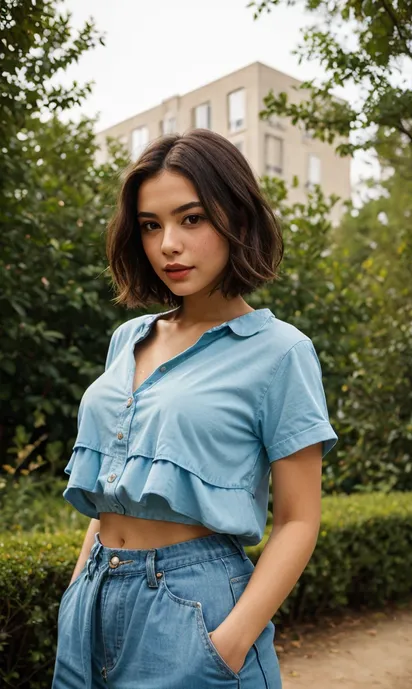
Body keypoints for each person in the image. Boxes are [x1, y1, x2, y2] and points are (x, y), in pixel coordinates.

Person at [51, 128, 338, 689]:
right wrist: (77, 587)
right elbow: (114, 482)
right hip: (91, 598)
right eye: (151, 226)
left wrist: (226, 647)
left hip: (195, 610)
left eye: (192, 219)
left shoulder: (281, 352)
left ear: (237, 218)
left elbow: (300, 520)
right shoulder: (128, 338)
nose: (167, 246)